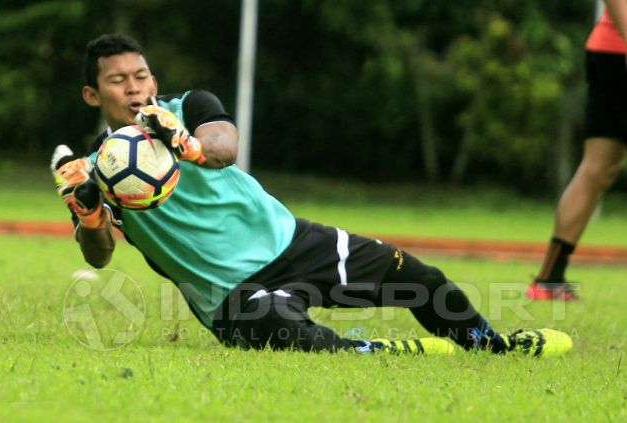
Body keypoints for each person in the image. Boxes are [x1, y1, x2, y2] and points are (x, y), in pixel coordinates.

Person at [52, 33, 572, 356]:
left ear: (154, 78)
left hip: (292, 242)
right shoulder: (95, 171)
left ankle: (489, 345)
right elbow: (99, 257)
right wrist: (91, 215)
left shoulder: (189, 107)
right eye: (118, 81)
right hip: (227, 296)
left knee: (417, 276)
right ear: (93, 96)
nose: (134, 88)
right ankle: (377, 351)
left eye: (140, 75)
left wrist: (182, 143)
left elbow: (225, 146)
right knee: (289, 331)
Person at [528, 0, 627, 301]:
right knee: (598, 164)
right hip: (617, 51)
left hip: (609, 50)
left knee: (600, 166)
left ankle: (549, 278)